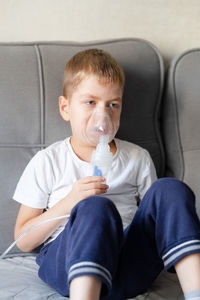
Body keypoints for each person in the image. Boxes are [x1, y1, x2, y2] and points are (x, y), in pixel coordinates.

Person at [13, 49, 200, 300]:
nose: (103, 116)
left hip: (127, 267)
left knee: (170, 189)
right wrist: (71, 201)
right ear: (66, 108)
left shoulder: (137, 158)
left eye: (112, 105)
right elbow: (23, 242)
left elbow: (158, 218)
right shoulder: (49, 161)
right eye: (90, 102)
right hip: (69, 265)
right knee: (95, 208)